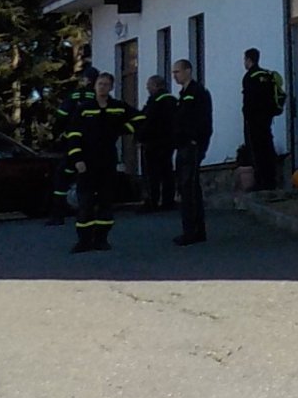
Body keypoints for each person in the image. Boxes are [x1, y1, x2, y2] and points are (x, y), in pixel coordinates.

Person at [66, 71, 135, 253]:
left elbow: (139, 119)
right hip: (87, 162)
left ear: (111, 87)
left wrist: (122, 129)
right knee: (86, 202)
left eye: (106, 84)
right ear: (95, 86)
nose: (102, 87)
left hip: (107, 161)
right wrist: (77, 159)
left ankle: (102, 239)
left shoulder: (118, 107)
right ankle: (84, 240)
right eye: (100, 84)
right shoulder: (84, 108)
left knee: (106, 201)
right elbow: (73, 135)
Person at [45, 59, 97, 226]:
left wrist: (56, 133)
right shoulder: (102, 98)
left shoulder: (75, 95)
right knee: (91, 179)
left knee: (62, 178)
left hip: (73, 143)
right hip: (94, 145)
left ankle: (57, 214)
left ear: (86, 80)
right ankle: (90, 212)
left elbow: (61, 116)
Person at [170, 58, 213, 246]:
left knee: (189, 188)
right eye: (173, 72)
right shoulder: (185, 94)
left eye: (177, 72)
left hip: (191, 146)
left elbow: (201, 120)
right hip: (183, 145)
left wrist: (196, 140)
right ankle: (193, 229)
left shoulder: (197, 92)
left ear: (188, 71)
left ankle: (193, 231)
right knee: (187, 187)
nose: (174, 76)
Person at [240, 49, 285, 190]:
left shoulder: (250, 77)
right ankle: (271, 180)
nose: (244, 63)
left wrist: (246, 116)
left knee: (257, 151)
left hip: (254, 119)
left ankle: (261, 181)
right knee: (267, 148)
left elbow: (248, 101)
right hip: (267, 118)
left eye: (245, 60)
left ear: (249, 60)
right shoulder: (267, 75)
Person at [138, 75, 177, 212]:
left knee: (151, 173)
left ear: (155, 85)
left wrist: (139, 137)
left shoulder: (155, 101)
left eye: (149, 86)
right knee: (167, 172)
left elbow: (146, 121)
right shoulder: (173, 100)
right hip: (168, 142)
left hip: (153, 142)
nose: (147, 89)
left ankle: (151, 201)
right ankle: (168, 200)